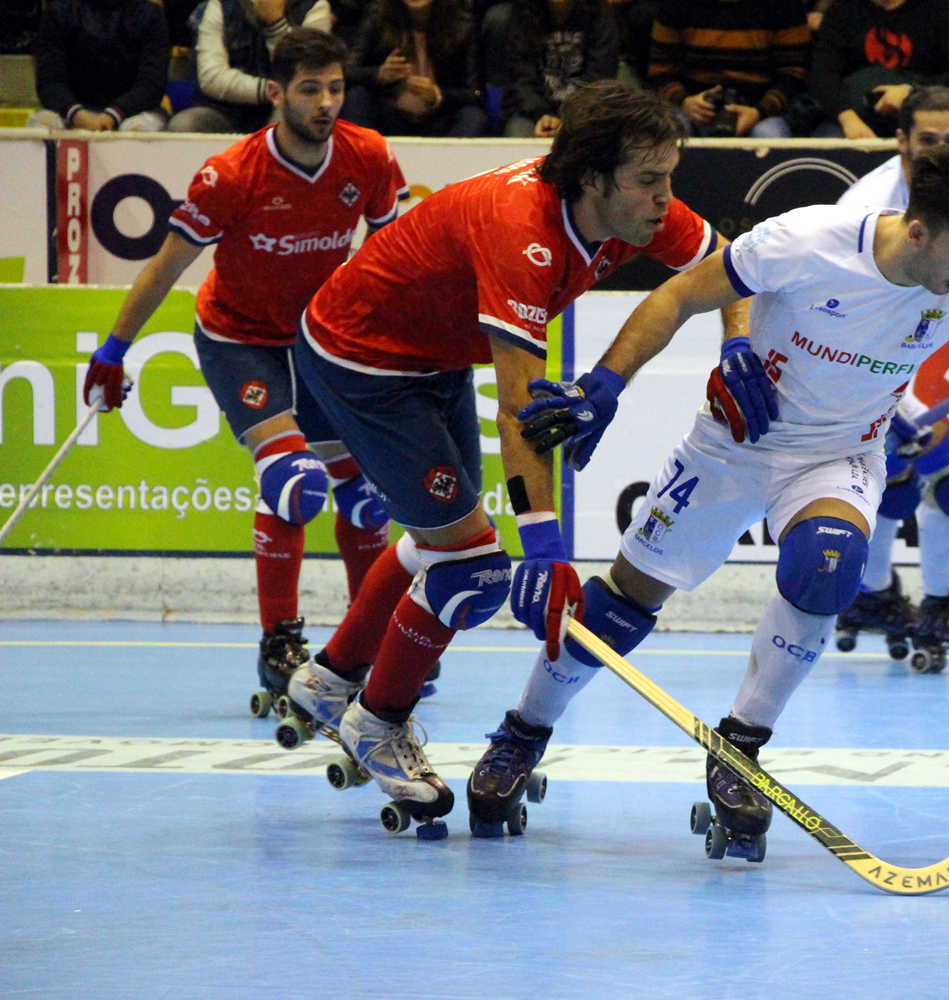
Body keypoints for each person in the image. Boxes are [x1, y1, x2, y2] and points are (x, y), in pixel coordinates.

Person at [491, 144, 949, 859]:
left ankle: (740, 749)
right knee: (619, 607)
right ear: (918, 232)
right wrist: (609, 382)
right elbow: (678, 295)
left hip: (838, 456)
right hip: (734, 445)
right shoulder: (809, 240)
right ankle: (521, 733)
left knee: (827, 564)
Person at [284, 81, 735, 839]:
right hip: (363, 361)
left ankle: (329, 678)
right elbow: (520, 409)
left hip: (432, 357)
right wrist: (546, 550)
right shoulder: (523, 231)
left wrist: (740, 346)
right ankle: (377, 721)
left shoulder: (637, 209)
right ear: (592, 179)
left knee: (445, 542)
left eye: (669, 176)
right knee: (475, 570)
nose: (666, 196)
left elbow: (731, 271)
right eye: (649, 179)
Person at [81, 29, 407, 708]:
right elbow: (166, 267)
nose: (326, 103)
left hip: (320, 340)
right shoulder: (230, 174)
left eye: (336, 88)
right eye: (310, 90)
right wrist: (114, 349)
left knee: (367, 497)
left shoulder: (369, 155)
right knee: (293, 481)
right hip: (239, 339)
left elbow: (393, 257)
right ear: (276, 94)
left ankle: (368, 643)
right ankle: (278, 644)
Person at [834, 85, 949, 672]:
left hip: (898, 348)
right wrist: (900, 410)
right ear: (901, 142)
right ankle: (936, 603)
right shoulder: (867, 207)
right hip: (847, 358)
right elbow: (850, 326)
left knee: (904, 478)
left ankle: (872, 593)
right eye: (927, 140)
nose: (941, 150)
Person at [807, 0, 949, 139]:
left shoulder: (939, 10)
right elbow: (822, 75)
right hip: (852, 113)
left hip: (925, 114)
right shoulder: (842, 11)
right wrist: (848, 119)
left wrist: (912, 94)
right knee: (828, 145)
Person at [646, 0, 811, 139]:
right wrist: (684, 102)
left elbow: (793, 75)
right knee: (669, 134)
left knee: (770, 136)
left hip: (761, 108)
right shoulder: (676, 4)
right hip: (693, 105)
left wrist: (759, 112)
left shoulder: (784, 5)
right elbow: (660, 71)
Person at [168, 0, 334, 133]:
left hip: (283, 109)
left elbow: (303, 74)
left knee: (289, 116)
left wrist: (275, 24)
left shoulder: (315, 8)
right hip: (224, 110)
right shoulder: (220, 5)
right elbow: (211, 78)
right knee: (184, 124)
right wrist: (272, 91)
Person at [342, 0, 486, 137]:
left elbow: (476, 94)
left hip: (440, 119)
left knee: (474, 116)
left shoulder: (462, 23)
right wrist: (379, 74)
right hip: (390, 115)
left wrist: (439, 96)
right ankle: (359, 153)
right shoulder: (378, 15)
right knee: (356, 96)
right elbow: (346, 73)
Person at [28, 0, 169, 132]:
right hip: (71, 109)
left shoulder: (150, 15)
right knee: (40, 125)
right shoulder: (59, 12)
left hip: (133, 111)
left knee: (139, 128)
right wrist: (76, 113)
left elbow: (151, 83)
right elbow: (49, 80)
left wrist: (113, 115)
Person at [489, 0, 619, 139]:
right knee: (518, 132)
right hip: (531, 113)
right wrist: (543, 116)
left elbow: (598, 80)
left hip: (584, 113)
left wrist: (568, 119)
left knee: (597, 136)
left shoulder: (600, 16)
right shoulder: (521, 14)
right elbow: (521, 80)